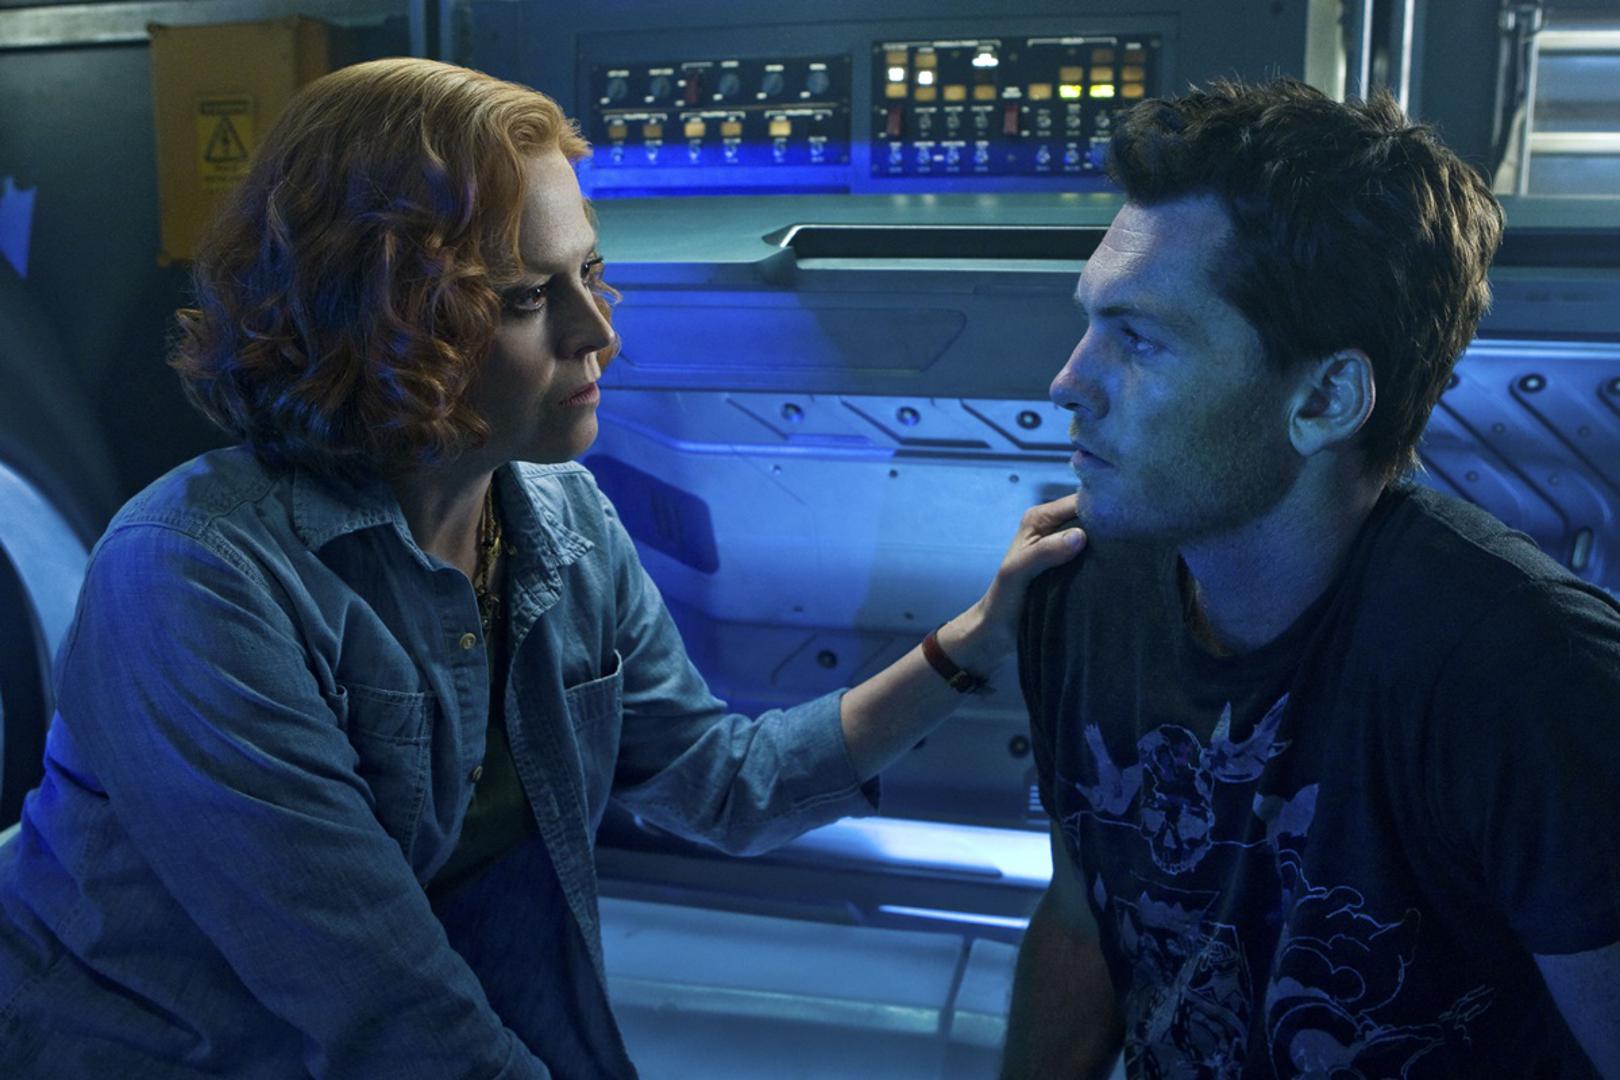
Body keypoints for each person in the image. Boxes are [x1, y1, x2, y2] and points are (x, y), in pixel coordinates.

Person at [0, 58, 1084, 1077]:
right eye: (526, 298)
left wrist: (970, 644)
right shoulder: (194, 578)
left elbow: (719, 785)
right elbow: (382, 1004)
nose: (596, 331)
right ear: (377, 318)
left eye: (592, 273)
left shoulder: (559, 519)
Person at [1003, 78, 1620, 1078]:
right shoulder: (1080, 590)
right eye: (1090, 324)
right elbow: (1083, 920)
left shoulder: (1535, 678)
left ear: (1326, 399)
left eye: (1140, 339)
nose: (1069, 381)